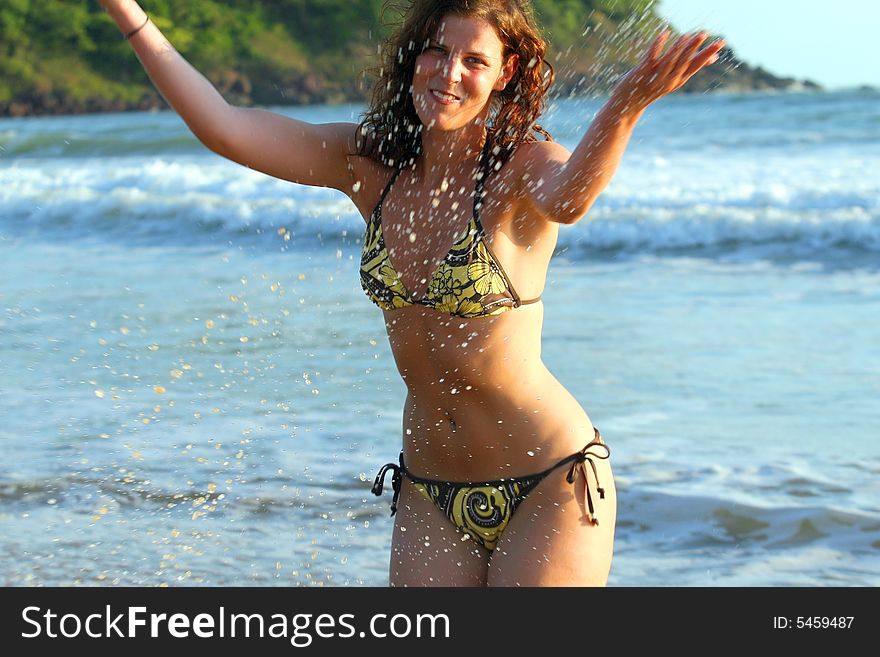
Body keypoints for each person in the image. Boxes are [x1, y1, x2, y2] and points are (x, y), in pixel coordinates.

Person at [100, 0, 724, 586]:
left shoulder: (520, 168)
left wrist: (626, 105)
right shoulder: (369, 163)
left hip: (548, 483)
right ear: (413, 59)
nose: (448, 72)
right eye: (435, 51)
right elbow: (226, 128)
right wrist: (126, 12)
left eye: (474, 60)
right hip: (430, 491)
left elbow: (571, 197)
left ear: (506, 73)